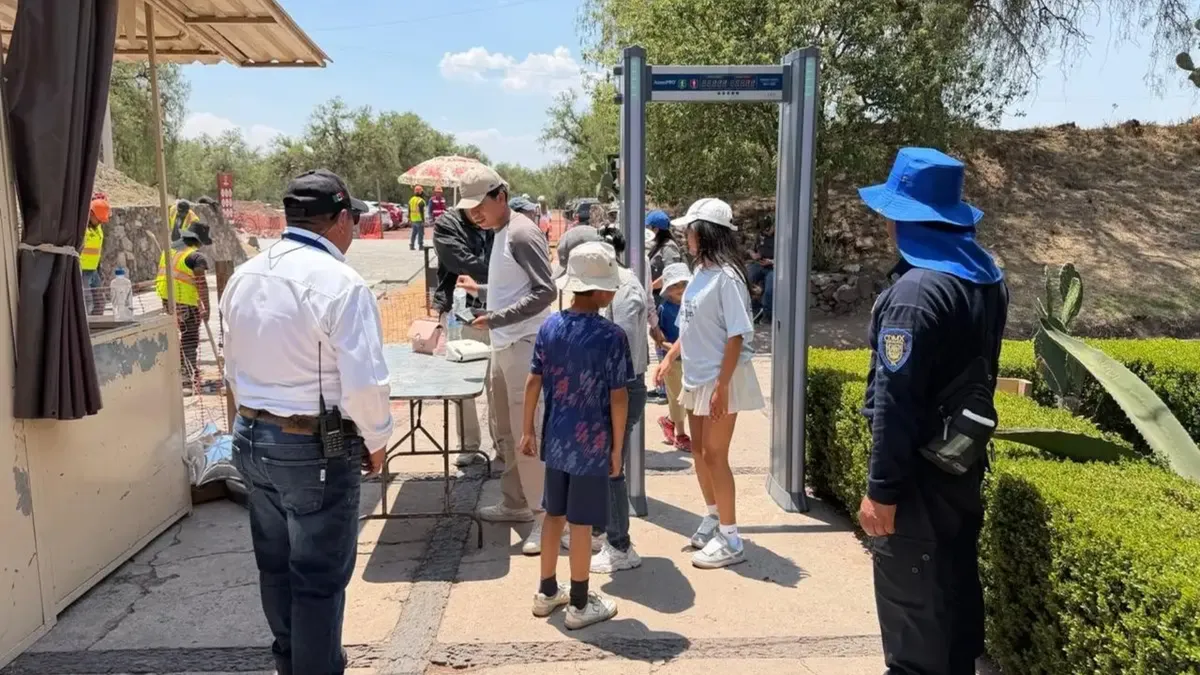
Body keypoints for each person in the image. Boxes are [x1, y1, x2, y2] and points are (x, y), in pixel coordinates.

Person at [221, 169, 391, 675]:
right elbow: (364, 384)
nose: (356, 228)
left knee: (275, 567)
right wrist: (378, 439)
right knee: (317, 576)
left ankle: (290, 664)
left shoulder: (246, 274)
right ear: (340, 219)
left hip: (250, 436)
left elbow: (232, 364)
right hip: (310, 448)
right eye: (354, 218)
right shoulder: (341, 283)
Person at [855, 147, 1008, 675]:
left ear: (904, 218)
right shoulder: (984, 278)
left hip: (917, 479)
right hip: (959, 467)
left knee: (914, 628)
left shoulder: (916, 292)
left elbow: (894, 405)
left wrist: (882, 492)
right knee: (955, 604)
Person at [524, 240, 630, 629]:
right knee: (582, 524)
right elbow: (618, 398)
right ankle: (581, 604)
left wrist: (527, 432)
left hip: (556, 436)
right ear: (601, 290)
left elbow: (533, 382)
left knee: (554, 515)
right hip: (592, 442)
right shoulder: (611, 336)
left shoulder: (549, 326)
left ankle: (547, 591)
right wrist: (618, 447)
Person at [654, 198, 763, 569]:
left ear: (706, 232)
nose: (686, 236)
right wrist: (670, 356)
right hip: (698, 376)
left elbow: (736, 336)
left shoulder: (728, 277)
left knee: (716, 456)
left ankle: (732, 539)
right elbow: (690, 323)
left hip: (721, 378)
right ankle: (714, 517)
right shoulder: (701, 271)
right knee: (700, 453)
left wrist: (722, 386)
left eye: (691, 230)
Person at [453, 164, 556, 554]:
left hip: (523, 346)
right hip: (505, 344)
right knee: (508, 433)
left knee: (529, 435)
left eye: (479, 204)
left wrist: (496, 318)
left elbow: (545, 291)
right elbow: (514, 286)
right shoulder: (500, 233)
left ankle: (547, 522)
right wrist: (480, 288)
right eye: (468, 208)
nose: (473, 213)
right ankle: (517, 503)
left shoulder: (522, 232)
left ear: (501, 196)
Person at [431, 195, 498, 469]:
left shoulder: (498, 221)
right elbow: (462, 263)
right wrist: (502, 275)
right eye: (474, 207)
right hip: (461, 314)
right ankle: (469, 445)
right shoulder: (446, 225)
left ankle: (502, 445)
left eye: (484, 205)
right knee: (462, 386)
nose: (480, 213)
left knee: (498, 384)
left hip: (496, 313)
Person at [156, 221, 213, 387]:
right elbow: (201, 283)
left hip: (168, 300)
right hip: (186, 303)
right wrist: (207, 308)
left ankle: (183, 370)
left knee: (176, 337)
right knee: (189, 338)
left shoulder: (170, 252)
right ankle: (187, 377)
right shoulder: (196, 257)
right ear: (198, 241)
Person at [655, 262, 692, 452]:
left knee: (689, 397)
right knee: (677, 397)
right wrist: (667, 353)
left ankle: (668, 421)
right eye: (675, 286)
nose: (680, 289)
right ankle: (681, 434)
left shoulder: (693, 304)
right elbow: (659, 337)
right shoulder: (665, 309)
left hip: (693, 358)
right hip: (674, 359)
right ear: (667, 289)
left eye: (684, 284)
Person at [82, 194, 109, 316]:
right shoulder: (81, 228)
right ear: (91, 214)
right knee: (86, 302)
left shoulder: (97, 227)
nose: (100, 222)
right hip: (81, 272)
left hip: (93, 271)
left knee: (99, 302)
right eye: (98, 219)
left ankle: (97, 328)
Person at [747, 223, 776, 323]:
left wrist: (771, 261)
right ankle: (755, 310)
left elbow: (786, 257)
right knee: (746, 281)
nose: (768, 231)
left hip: (773, 267)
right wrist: (753, 255)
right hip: (758, 263)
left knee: (769, 290)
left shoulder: (782, 237)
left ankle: (767, 316)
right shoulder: (760, 236)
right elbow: (750, 249)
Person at [408, 185, 427, 250]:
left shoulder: (411, 200)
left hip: (413, 219)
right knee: (420, 233)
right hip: (419, 219)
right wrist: (423, 221)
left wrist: (409, 218)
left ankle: (412, 245)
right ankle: (420, 245)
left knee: (414, 233)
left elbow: (409, 210)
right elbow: (421, 212)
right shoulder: (421, 201)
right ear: (420, 192)